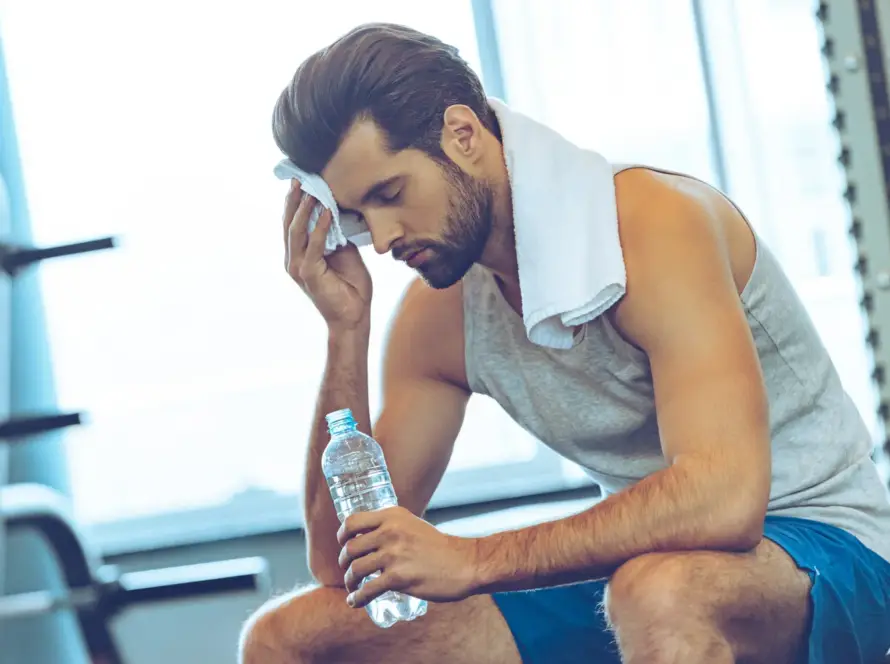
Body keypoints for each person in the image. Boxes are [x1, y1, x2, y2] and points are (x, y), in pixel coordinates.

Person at [239, 22, 890, 664]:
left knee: (659, 593)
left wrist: (473, 560)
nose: (381, 240)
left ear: (462, 135)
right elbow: (340, 557)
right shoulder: (437, 315)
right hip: (637, 564)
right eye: (358, 216)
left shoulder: (652, 223)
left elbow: (724, 502)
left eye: (391, 195)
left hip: (827, 551)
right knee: (286, 634)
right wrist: (344, 331)